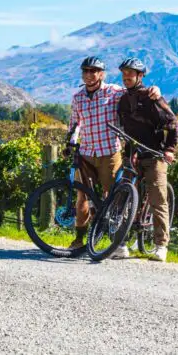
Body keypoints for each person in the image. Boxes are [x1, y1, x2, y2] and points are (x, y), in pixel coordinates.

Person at [65, 55, 161, 257]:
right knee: (82, 196)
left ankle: (118, 242)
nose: (89, 75)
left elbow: (137, 93)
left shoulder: (114, 92)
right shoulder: (78, 98)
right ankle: (79, 240)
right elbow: (75, 124)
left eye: (94, 71)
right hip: (86, 153)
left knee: (113, 197)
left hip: (109, 152)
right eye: (86, 71)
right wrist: (70, 141)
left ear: (102, 74)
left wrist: (156, 91)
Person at [116, 57, 178, 262]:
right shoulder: (123, 100)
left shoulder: (152, 96)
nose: (127, 77)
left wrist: (169, 149)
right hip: (132, 155)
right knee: (122, 197)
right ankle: (122, 241)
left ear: (140, 76)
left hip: (154, 155)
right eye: (124, 73)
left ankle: (161, 245)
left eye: (131, 73)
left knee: (158, 199)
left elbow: (173, 122)